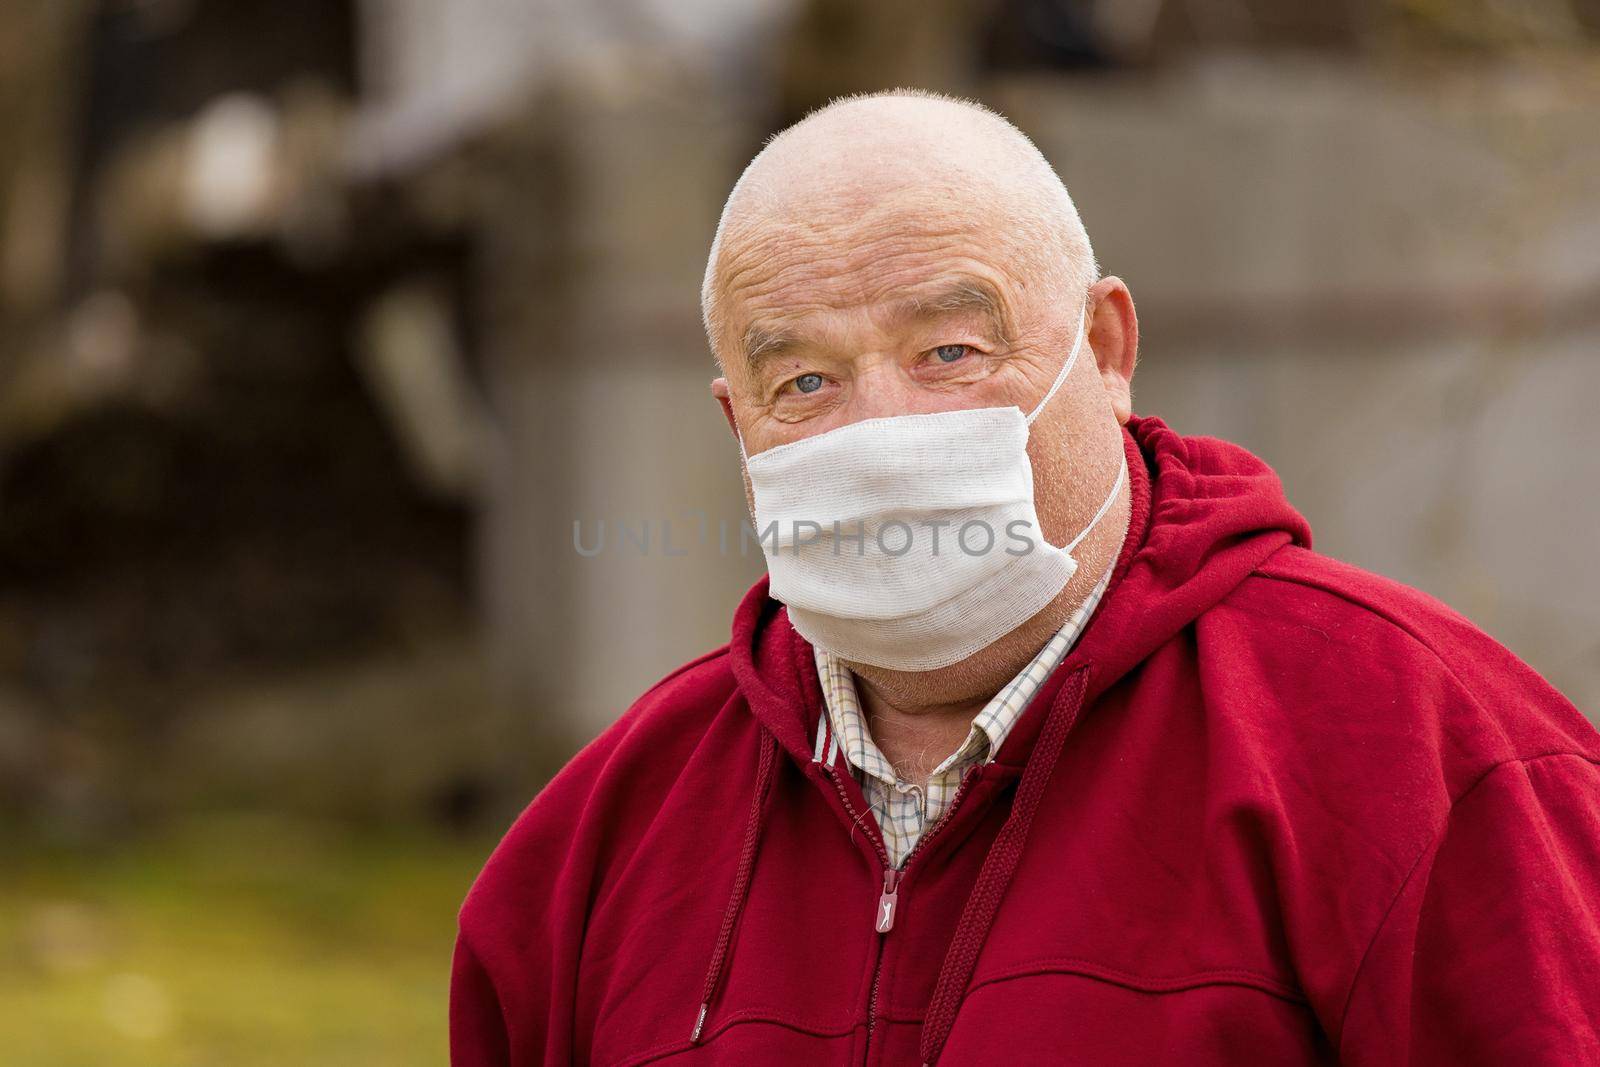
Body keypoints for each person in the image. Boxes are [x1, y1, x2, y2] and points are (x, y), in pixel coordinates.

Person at [450, 88, 1600, 1065]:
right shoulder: (596, 847)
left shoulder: (1421, 755)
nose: (880, 427)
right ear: (734, 423)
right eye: (802, 381)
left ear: (1104, 352)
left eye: (949, 351)